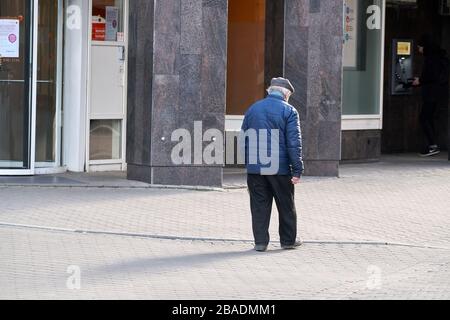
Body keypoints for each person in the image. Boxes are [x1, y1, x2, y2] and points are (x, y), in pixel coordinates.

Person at [241, 77, 304, 252]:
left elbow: (244, 139)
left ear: (270, 91)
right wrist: (297, 169)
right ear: (286, 94)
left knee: (259, 205)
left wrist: (249, 164)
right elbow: (294, 143)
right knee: (285, 204)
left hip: (255, 167)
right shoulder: (289, 111)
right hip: (279, 167)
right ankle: (288, 241)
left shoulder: (253, 109)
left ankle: (260, 242)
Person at [412, 34, 450, 157]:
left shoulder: (430, 58)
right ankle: (432, 145)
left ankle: (433, 146)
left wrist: (420, 81)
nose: (418, 49)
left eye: (419, 47)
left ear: (424, 46)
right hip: (439, 93)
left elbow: (431, 76)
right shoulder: (439, 56)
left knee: (424, 118)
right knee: (428, 118)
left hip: (431, 93)